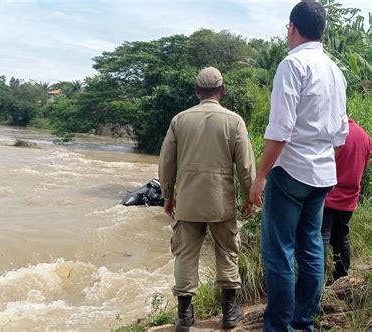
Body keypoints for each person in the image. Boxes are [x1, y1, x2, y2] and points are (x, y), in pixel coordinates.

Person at [249, 1, 349, 331]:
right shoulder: (336, 72)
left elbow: (280, 129)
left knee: (279, 251)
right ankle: (303, 322)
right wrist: (322, 164)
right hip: (322, 175)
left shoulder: (292, 65)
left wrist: (260, 175)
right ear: (323, 30)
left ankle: (278, 326)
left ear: (292, 27)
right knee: (311, 247)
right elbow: (340, 134)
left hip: (290, 171)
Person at [159, 66, 256, 331]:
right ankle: (229, 312)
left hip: (188, 202)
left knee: (185, 256)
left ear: (197, 91)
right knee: (227, 252)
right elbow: (245, 166)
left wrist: (168, 195)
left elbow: (166, 163)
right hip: (221, 202)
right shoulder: (234, 121)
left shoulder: (179, 120)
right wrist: (250, 197)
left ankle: (183, 316)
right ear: (222, 91)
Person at [322, 119, 371, 282]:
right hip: (349, 198)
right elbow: (364, 166)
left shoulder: (335, 133)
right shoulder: (365, 136)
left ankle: (317, 280)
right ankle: (341, 277)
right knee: (341, 236)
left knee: (322, 236)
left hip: (329, 194)